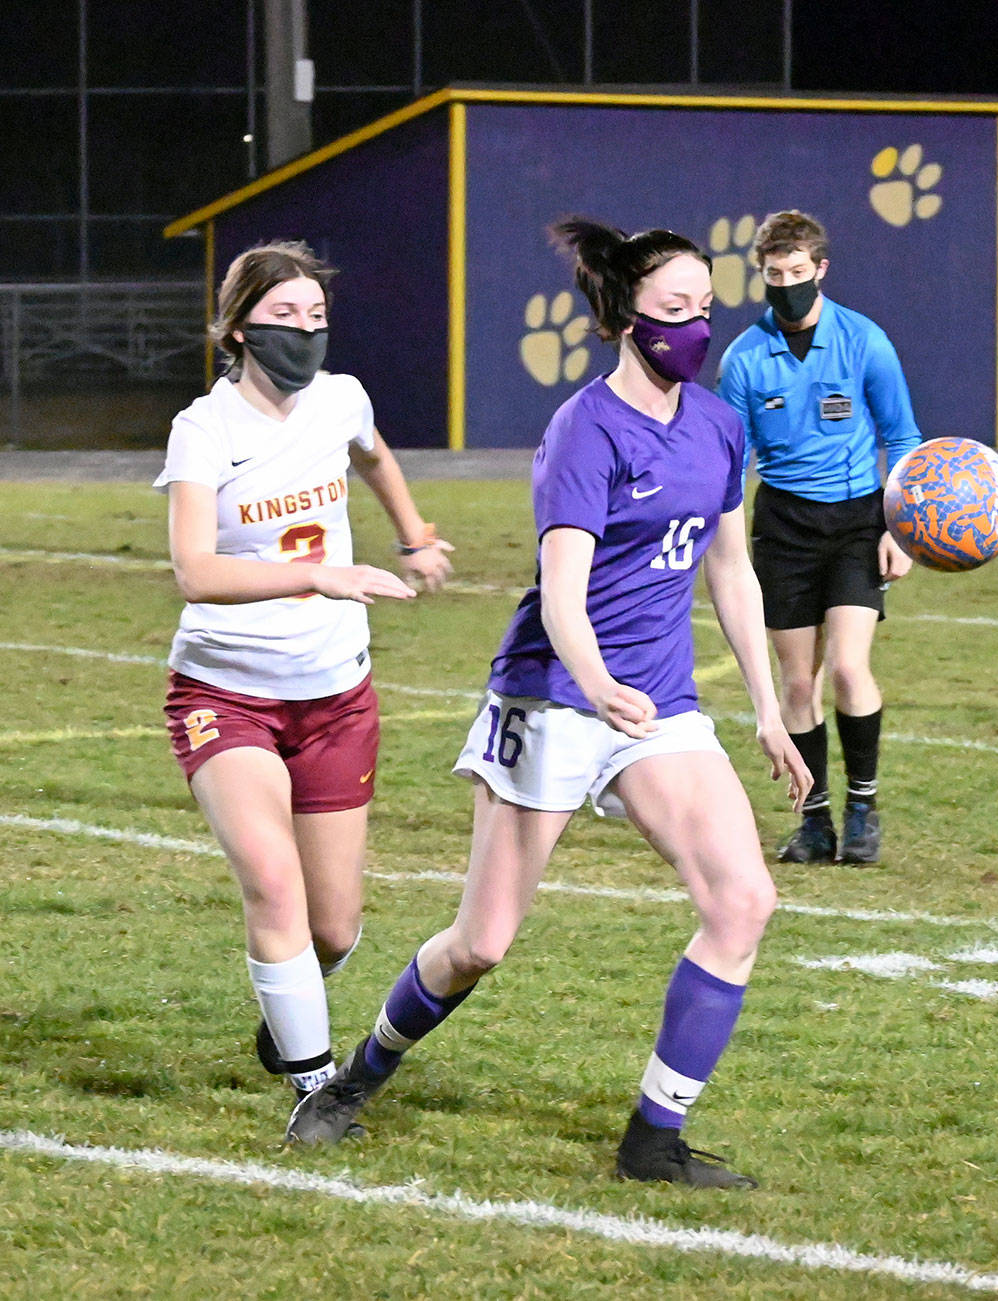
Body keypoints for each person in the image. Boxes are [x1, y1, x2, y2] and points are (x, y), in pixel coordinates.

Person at [287, 220, 811, 1189]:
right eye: (672, 311)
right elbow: (561, 593)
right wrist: (598, 679)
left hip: (655, 702)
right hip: (557, 694)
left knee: (742, 898)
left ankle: (652, 1137)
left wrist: (769, 709)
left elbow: (729, 569)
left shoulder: (717, 421)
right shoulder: (584, 430)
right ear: (624, 318)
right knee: (481, 941)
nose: (694, 327)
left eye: (704, 307)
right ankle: (354, 1078)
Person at [155, 240, 453, 1124]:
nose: (306, 335)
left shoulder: (341, 399)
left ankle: (291, 1011)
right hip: (225, 693)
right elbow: (195, 572)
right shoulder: (204, 428)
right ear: (239, 327)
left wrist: (414, 535)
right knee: (273, 887)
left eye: (317, 318)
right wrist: (313, 575)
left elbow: (375, 457)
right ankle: (315, 1084)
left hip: (335, 697)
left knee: (334, 929)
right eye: (286, 317)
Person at [718, 210, 922, 866]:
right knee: (797, 683)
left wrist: (901, 527)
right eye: (774, 276)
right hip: (784, 526)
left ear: (821, 269)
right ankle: (814, 821)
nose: (786, 286)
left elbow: (904, 437)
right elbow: (730, 465)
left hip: (859, 520)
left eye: (798, 274)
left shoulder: (866, 341)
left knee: (848, 667)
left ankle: (863, 811)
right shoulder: (744, 359)